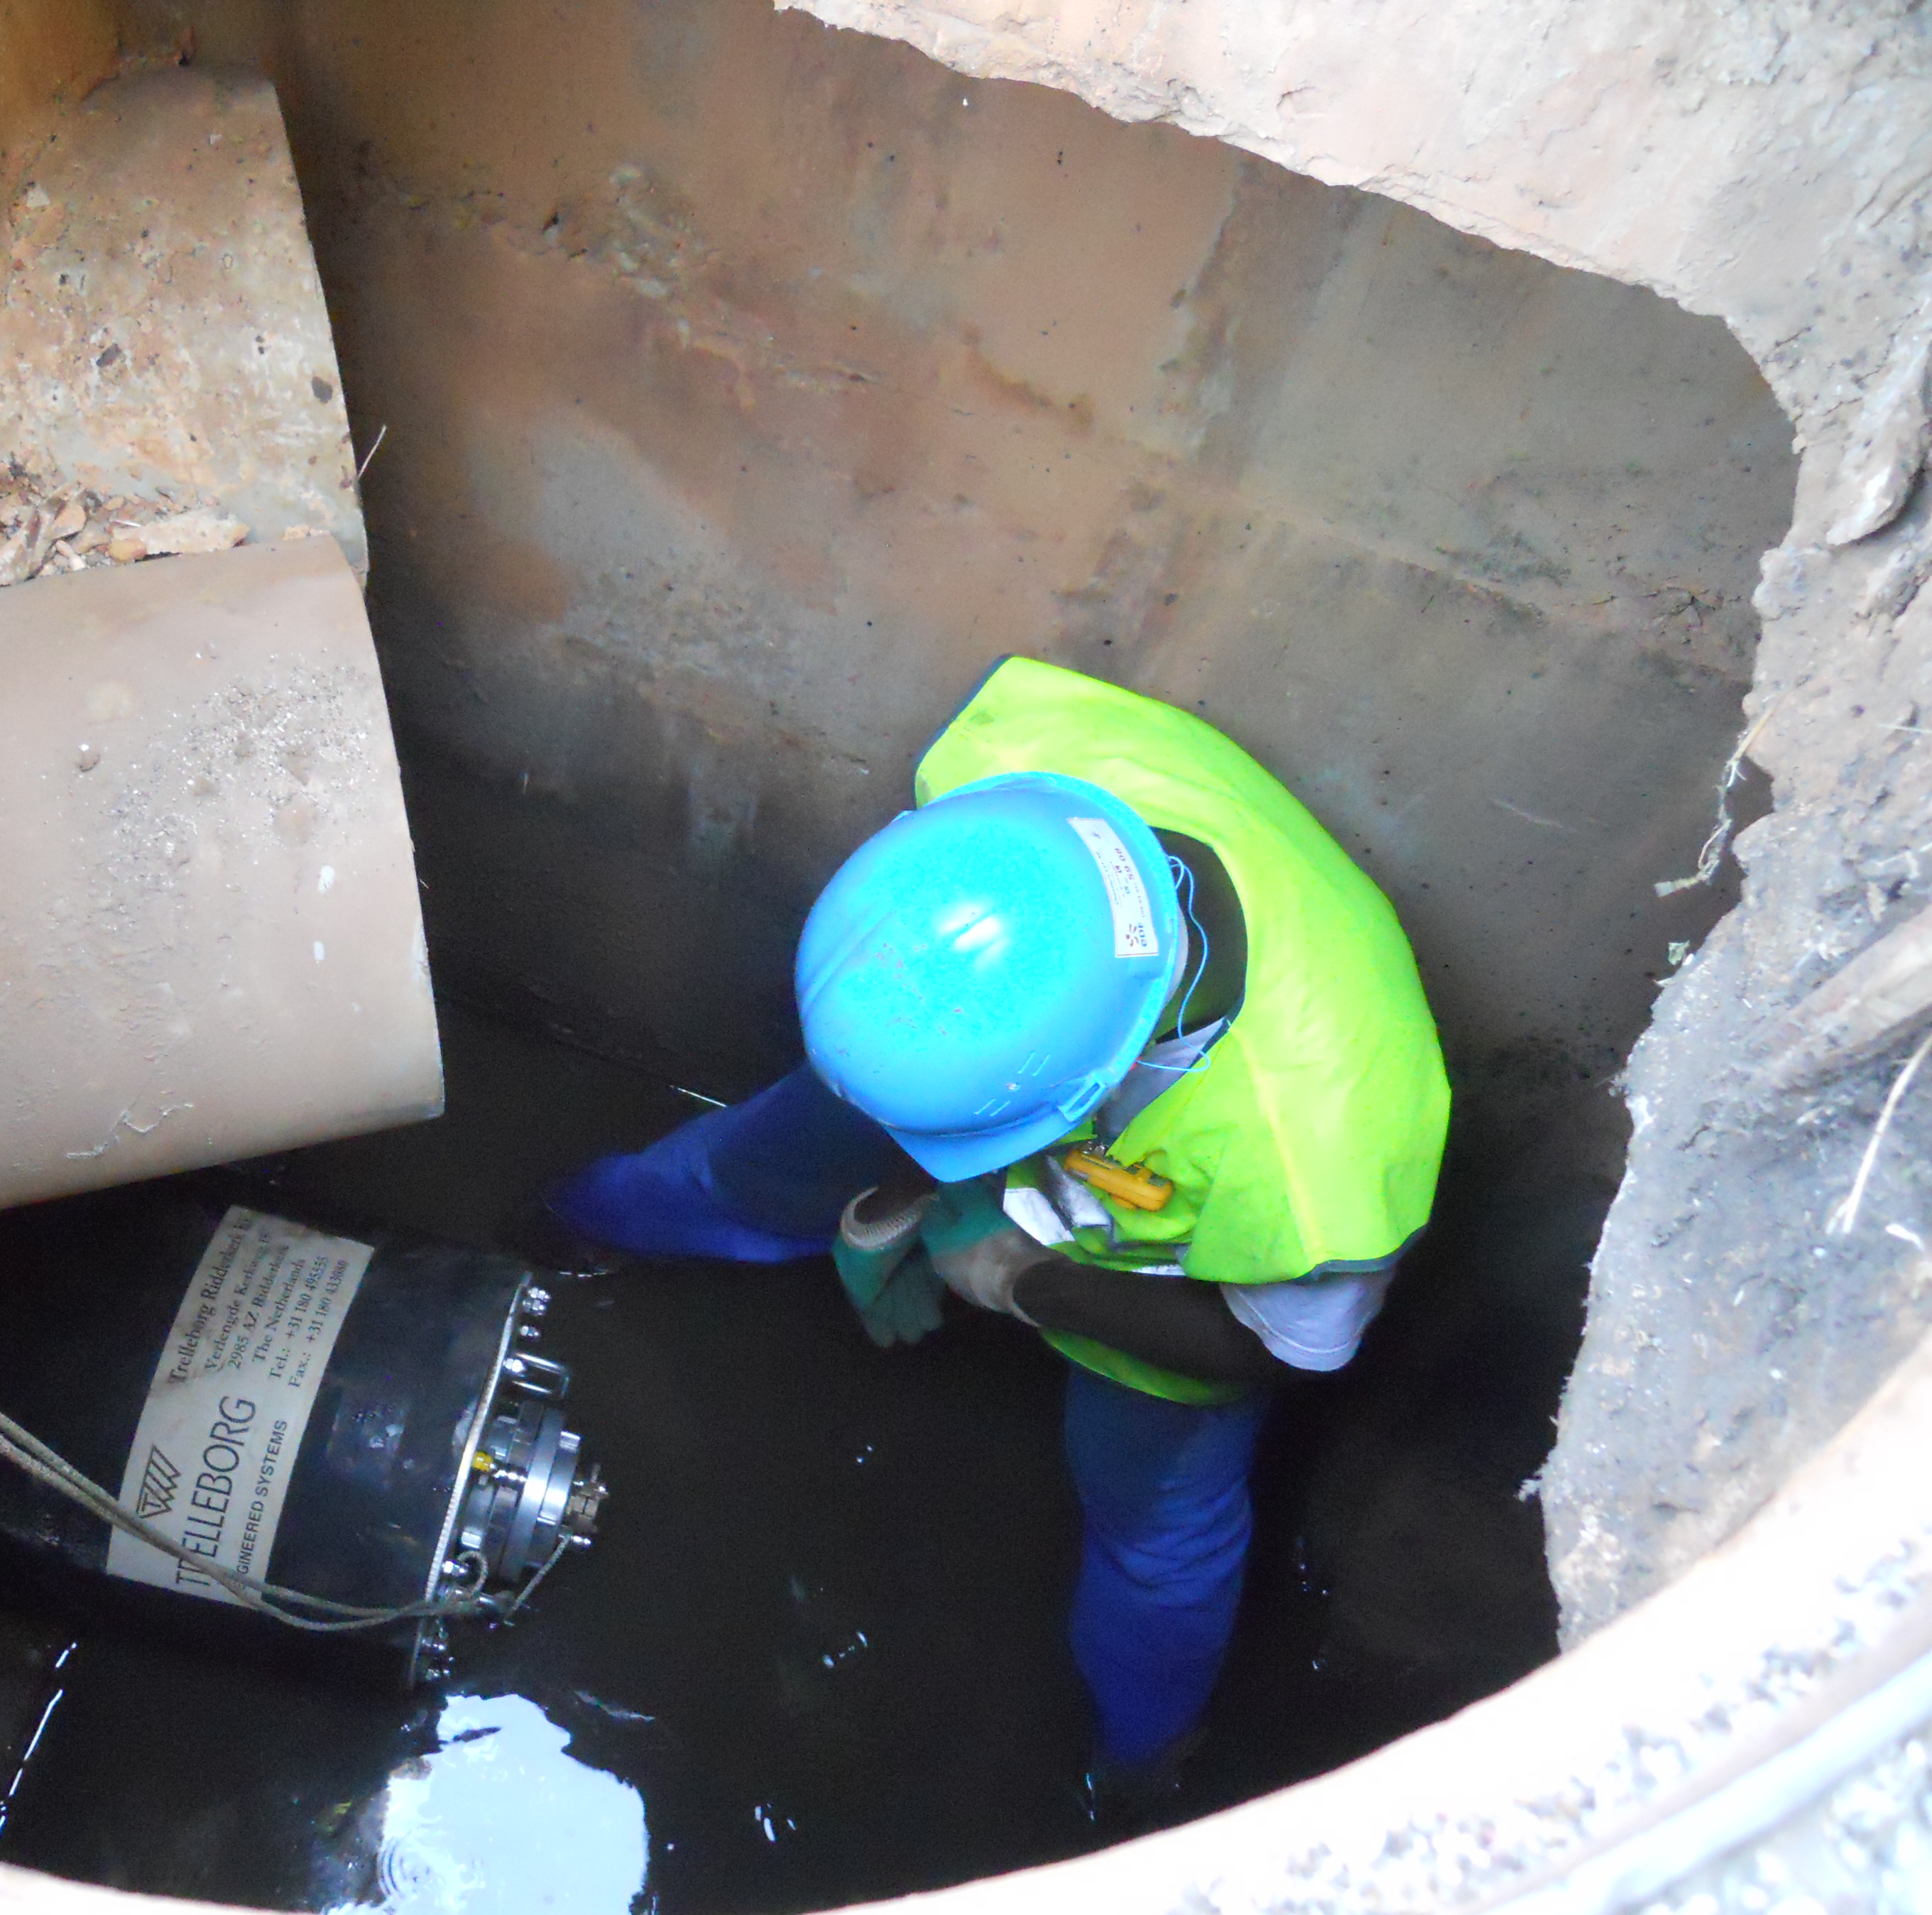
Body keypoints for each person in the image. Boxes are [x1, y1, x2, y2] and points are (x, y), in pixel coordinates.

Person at [545, 657, 1448, 1811]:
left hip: (1167, 1294)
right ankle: (579, 1223)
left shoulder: (1324, 1163)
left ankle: (1139, 1767)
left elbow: (1269, 1349)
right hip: (979, 1052)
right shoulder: (1006, 777)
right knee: (750, 1165)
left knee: (1158, 1535)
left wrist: (1023, 1279)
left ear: (1079, 1097)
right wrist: (909, 1171)